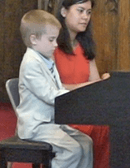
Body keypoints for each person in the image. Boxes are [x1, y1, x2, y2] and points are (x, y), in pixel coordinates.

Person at [17, 9, 93, 168]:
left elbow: (57, 89)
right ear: (34, 39)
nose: (56, 44)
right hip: (37, 127)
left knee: (86, 143)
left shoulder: (45, 59)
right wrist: (80, 98)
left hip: (52, 122)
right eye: (51, 40)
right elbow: (51, 95)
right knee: (71, 150)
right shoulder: (31, 63)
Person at [54, 0, 110, 168]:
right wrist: (88, 86)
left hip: (84, 108)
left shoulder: (85, 46)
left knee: (116, 124)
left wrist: (105, 81)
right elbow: (52, 88)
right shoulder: (50, 45)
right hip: (62, 112)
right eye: (80, 11)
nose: (85, 17)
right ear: (64, 12)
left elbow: (95, 84)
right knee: (101, 128)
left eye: (88, 12)